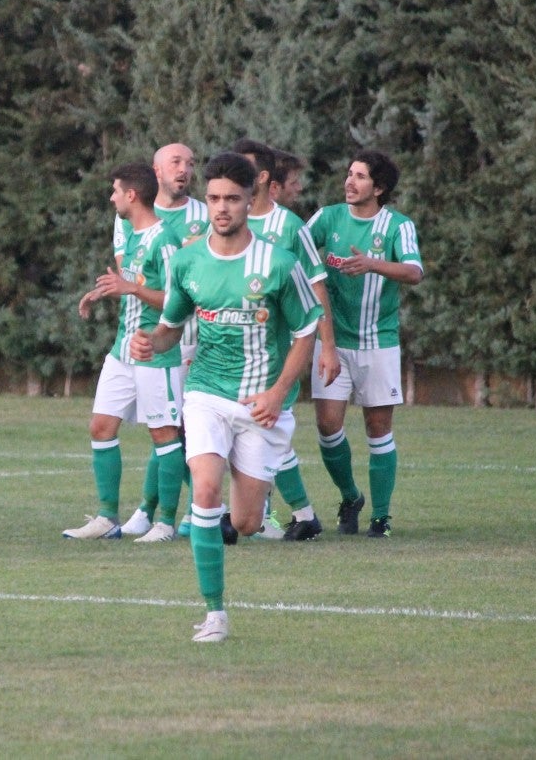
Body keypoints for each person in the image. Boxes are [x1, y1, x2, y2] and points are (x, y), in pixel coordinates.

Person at [131, 152, 322, 642]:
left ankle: (254, 508)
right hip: (206, 394)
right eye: (214, 198)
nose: (221, 208)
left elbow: (306, 332)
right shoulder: (189, 260)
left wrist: (280, 393)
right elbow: (172, 328)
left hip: (260, 404)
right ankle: (215, 612)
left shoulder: (278, 264)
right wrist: (151, 340)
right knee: (205, 490)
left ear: (249, 199)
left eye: (232, 199)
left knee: (246, 521)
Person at [67, 162, 188, 542]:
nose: (112, 197)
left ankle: (165, 522)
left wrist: (131, 289)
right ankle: (106, 518)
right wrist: (101, 292)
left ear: (132, 195)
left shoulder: (164, 239)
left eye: (116, 190)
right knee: (101, 427)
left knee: (164, 434)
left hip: (156, 351)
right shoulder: (133, 236)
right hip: (122, 349)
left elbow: (177, 299)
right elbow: (129, 284)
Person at [306, 150, 423, 538]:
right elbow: (297, 251)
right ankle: (350, 495)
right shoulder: (328, 218)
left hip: (378, 343)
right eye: (349, 173)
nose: (349, 182)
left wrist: (373, 263)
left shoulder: (397, 226)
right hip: (332, 343)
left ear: (380, 187)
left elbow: (414, 272)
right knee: (327, 426)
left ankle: (382, 517)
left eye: (360, 176)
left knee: (377, 428)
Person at [231, 138, 338, 541]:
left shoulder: (289, 227)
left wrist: (327, 346)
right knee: (252, 428)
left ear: (260, 178)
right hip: (231, 351)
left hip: (279, 350)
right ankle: (293, 514)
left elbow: (317, 286)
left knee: (265, 425)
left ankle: (265, 515)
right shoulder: (225, 224)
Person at [111, 143, 208, 538]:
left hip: (197, 336)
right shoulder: (129, 218)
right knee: (165, 425)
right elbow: (129, 276)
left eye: (190, 162)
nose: (184, 169)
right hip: (153, 335)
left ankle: (193, 510)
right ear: (155, 172)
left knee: (180, 428)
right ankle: (153, 509)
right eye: (175, 162)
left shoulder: (205, 213)